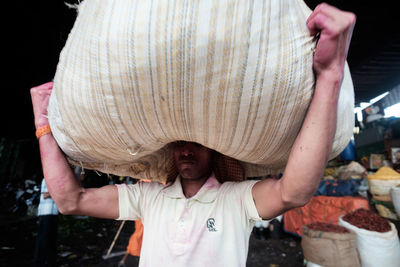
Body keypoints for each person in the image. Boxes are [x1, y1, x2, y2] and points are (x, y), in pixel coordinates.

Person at [30, 3, 356, 266]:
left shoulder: (236, 199)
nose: (187, 150)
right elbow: (70, 200)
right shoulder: (148, 198)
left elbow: (292, 194)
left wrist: (330, 74)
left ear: (215, 150)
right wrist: (43, 127)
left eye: (198, 144)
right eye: (181, 144)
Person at [33, 179, 59, 267]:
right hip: (45, 212)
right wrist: (59, 193)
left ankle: (51, 262)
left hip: (53, 212)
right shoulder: (47, 179)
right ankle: (38, 262)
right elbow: (45, 195)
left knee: (51, 239)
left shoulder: (57, 180)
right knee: (43, 239)